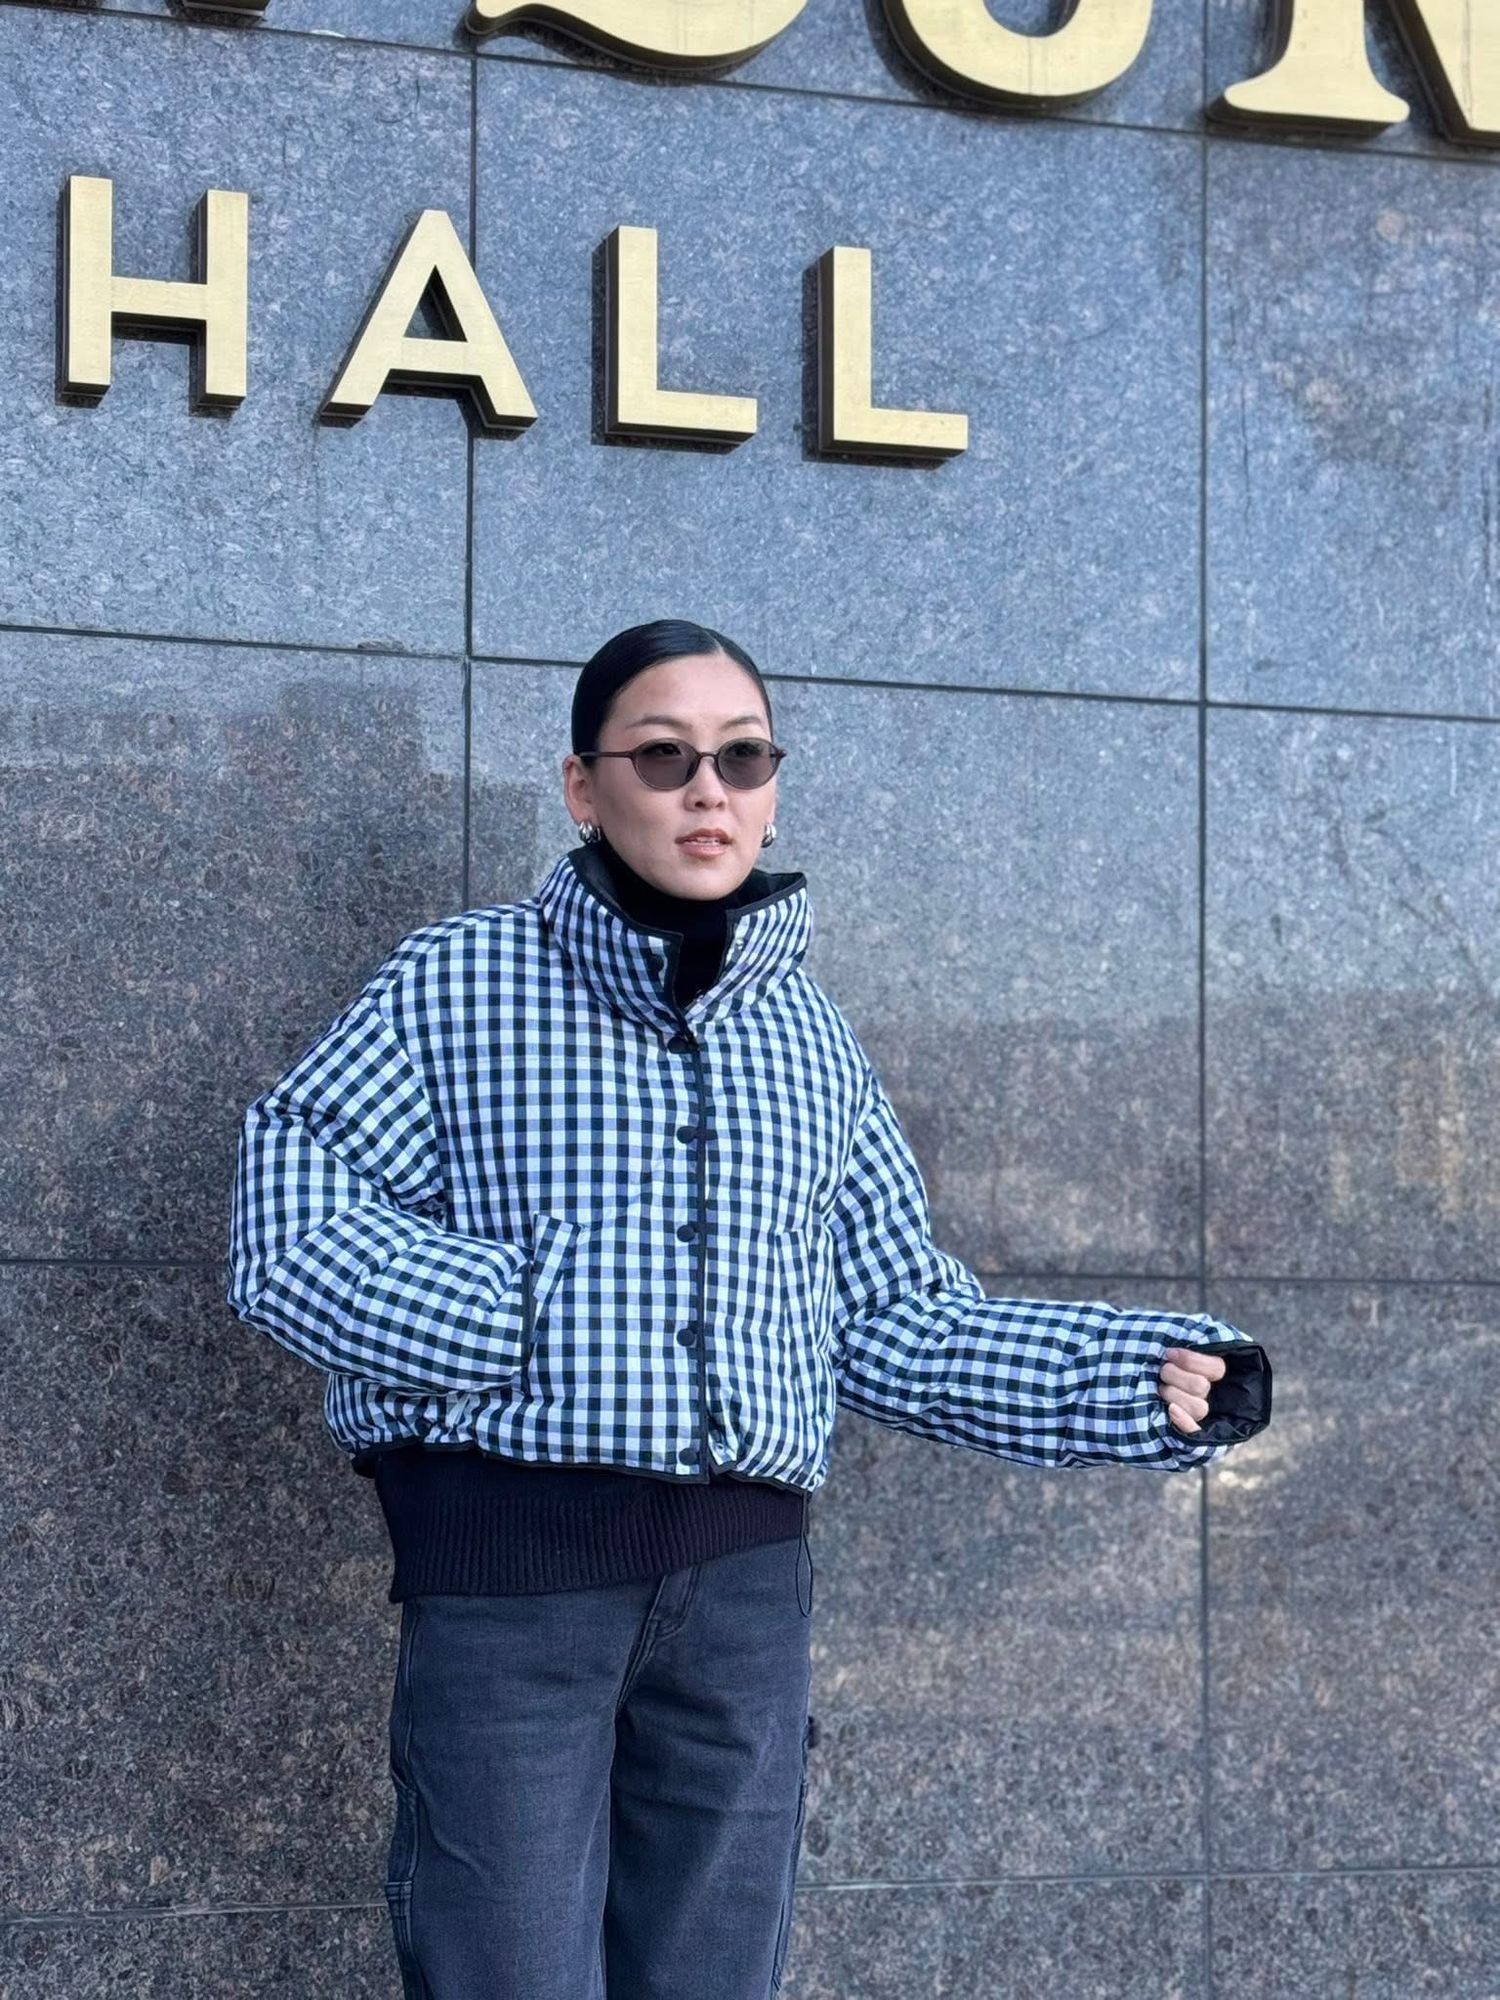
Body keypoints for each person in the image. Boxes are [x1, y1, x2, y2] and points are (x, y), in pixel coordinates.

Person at [225, 618, 1272, 2000]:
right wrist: (529, 1319)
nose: (707, 790)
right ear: (584, 786)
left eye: (743, 757)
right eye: (663, 757)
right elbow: (289, 1226)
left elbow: (893, 1318)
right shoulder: (455, 982)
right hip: (512, 1592)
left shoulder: (810, 1038)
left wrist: (1141, 1377)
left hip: (742, 1608)